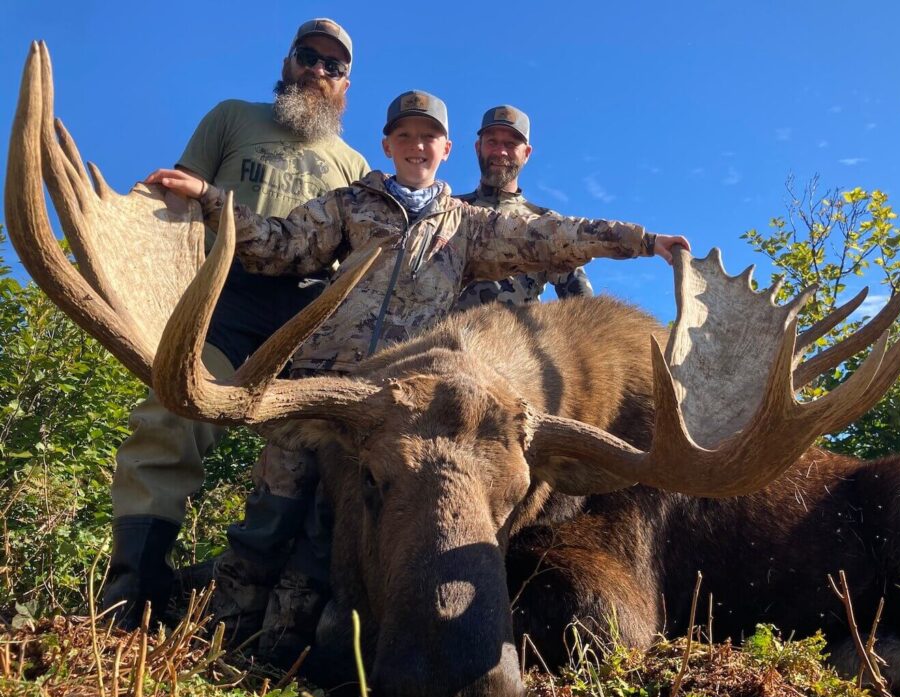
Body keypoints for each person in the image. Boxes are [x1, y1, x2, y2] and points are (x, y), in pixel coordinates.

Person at [145, 90, 690, 657]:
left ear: (446, 149)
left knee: (330, 533)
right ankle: (225, 639)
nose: (415, 146)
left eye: (427, 137)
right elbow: (282, 245)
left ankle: (284, 650)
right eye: (404, 136)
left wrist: (643, 242)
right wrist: (210, 198)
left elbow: (558, 240)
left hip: (403, 414)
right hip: (326, 390)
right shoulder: (350, 203)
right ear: (387, 145)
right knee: (270, 513)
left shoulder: (470, 226)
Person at [102, 18, 370, 630]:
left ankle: (274, 614)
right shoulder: (232, 118)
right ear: (288, 60)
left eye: (334, 66)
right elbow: (174, 196)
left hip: (305, 319)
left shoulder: (353, 162)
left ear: (345, 84)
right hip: (223, 300)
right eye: (309, 56)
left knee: (312, 457)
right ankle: (131, 592)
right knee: (170, 419)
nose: (319, 71)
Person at [456, 105, 592, 309]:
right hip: (446, 339)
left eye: (510, 144)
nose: (500, 151)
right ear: (478, 147)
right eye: (492, 142)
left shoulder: (547, 223)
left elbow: (582, 304)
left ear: (527, 153)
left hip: (519, 338)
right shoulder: (446, 211)